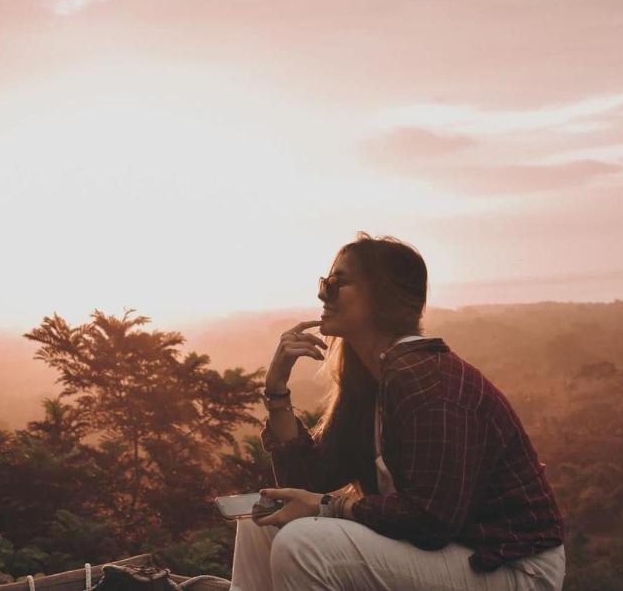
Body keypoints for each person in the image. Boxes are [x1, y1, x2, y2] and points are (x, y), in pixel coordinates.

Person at [229, 233, 565, 591]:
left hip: (510, 563)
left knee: (303, 547)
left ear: (382, 297)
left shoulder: (428, 380)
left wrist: (329, 507)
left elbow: (432, 520)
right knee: (260, 522)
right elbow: (307, 485)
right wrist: (277, 389)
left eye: (336, 283)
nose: (322, 293)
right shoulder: (371, 382)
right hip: (454, 551)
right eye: (324, 283)